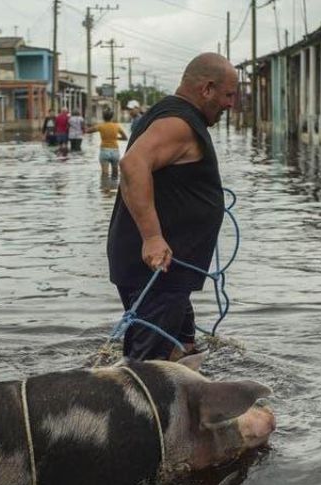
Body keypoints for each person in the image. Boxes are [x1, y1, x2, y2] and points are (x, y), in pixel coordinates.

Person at [105, 52, 237, 362]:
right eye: (228, 95)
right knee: (148, 368)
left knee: (183, 353)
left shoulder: (167, 114)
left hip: (165, 269)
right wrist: (152, 237)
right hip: (157, 269)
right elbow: (133, 164)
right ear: (207, 88)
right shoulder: (179, 123)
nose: (232, 104)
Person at [87, 109, 128, 178]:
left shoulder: (101, 126)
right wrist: (115, 138)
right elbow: (125, 138)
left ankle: (105, 187)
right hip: (115, 151)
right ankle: (114, 187)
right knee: (115, 173)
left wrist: (90, 127)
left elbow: (88, 131)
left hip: (104, 150)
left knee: (105, 174)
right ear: (112, 117)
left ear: (103, 117)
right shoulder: (117, 126)